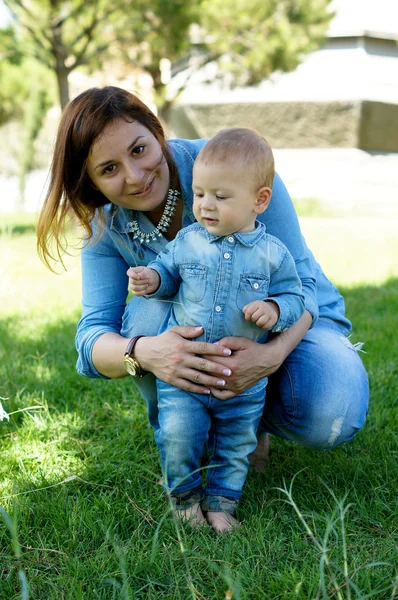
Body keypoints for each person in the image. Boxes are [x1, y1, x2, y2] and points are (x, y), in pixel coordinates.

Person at [36, 85, 369, 526]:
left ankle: (251, 424)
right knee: (150, 311)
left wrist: (269, 358)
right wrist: (144, 353)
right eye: (110, 168)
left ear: (158, 133)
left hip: (292, 323)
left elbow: (303, 285)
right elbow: (92, 339)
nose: (135, 175)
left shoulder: (232, 166)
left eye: (140, 149)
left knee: (332, 410)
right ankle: (188, 437)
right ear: (91, 181)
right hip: (192, 340)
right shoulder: (105, 225)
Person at [128, 128, 305, 530]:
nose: (205, 205)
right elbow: (168, 275)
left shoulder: (273, 254)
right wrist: (152, 280)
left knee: (236, 442)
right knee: (179, 434)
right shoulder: (188, 241)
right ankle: (185, 500)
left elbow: (295, 297)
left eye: (221, 197)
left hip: (241, 382)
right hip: (186, 377)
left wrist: (275, 308)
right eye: (200, 193)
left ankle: (223, 504)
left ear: (260, 200)